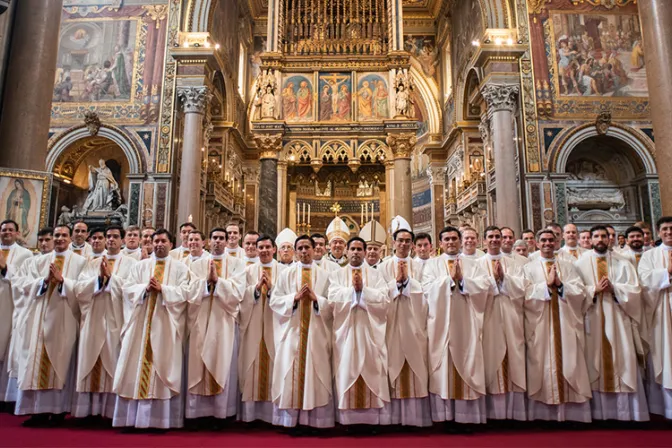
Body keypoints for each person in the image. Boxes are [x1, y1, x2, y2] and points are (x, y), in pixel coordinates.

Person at [112, 229, 189, 429]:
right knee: (134, 367)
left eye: (163, 241)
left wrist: (163, 289)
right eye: (156, 241)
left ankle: (159, 420)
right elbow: (127, 289)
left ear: (171, 244)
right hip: (140, 324)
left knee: (162, 367)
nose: (159, 244)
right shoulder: (140, 267)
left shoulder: (180, 269)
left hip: (166, 326)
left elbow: (185, 293)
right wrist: (144, 289)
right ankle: (131, 419)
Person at [574, 225, 649, 422]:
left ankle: (627, 414)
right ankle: (599, 413)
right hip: (593, 317)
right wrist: (594, 290)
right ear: (590, 240)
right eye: (596, 236)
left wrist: (615, 289)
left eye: (603, 236)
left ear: (610, 239)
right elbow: (575, 292)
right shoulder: (580, 264)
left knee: (622, 359)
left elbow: (634, 291)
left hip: (618, 318)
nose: (600, 239)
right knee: (594, 360)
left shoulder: (623, 263)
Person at [14, 225, 86, 426]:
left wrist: (64, 282)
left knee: (62, 362)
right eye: (56, 235)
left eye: (64, 235)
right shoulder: (38, 261)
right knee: (35, 361)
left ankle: (58, 410)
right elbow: (21, 284)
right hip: (40, 317)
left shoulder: (80, 262)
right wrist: (43, 281)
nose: (60, 238)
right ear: (51, 238)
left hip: (65, 317)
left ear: (71, 238)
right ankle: (36, 411)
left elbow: (83, 289)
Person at [422, 226, 490, 427]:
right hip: (441, 325)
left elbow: (483, 286)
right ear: (440, 243)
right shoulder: (432, 265)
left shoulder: (474, 265)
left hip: (466, 324)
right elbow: (426, 289)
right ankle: (445, 417)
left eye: (454, 238)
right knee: (443, 367)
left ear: (460, 241)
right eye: (446, 239)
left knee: (468, 362)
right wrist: (449, 280)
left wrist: (463, 281)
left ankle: (466, 417)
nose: (451, 242)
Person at [523, 229, 592, 422]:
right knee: (541, 365)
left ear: (557, 243)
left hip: (566, 323)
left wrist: (561, 285)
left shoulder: (568, 266)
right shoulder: (529, 268)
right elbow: (525, 295)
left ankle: (574, 415)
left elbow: (580, 292)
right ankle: (544, 416)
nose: (547, 243)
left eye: (551, 240)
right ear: (536, 244)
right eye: (543, 240)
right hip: (541, 324)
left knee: (571, 363)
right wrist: (545, 286)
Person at [270, 235, 334, 429]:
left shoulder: (324, 276)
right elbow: (274, 301)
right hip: (291, 332)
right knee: (290, 371)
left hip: (316, 333)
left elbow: (332, 304)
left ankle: (315, 421)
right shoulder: (286, 274)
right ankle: (291, 421)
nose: (304, 251)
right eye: (300, 248)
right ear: (296, 252)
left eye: (307, 247)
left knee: (316, 371)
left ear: (315, 250)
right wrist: (294, 298)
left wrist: (317, 300)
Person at [73, 225, 136, 420]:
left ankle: (109, 412)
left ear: (123, 240)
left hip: (116, 318)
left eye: (115, 236)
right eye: (107, 236)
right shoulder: (92, 263)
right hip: (94, 318)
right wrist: (98, 281)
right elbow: (80, 288)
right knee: (90, 359)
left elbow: (131, 290)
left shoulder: (131, 264)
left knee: (113, 360)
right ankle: (88, 411)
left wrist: (111, 279)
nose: (110, 240)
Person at [328, 236, 392, 425]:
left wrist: (363, 291)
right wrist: (353, 292)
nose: (355, 252)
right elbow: (332, 297)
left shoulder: (375, 275)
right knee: (347, 370)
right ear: (347, 251)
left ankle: (372, 421)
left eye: (359, 249)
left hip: (370, 332)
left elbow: (384, 299)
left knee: (372, 369)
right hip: (346, 333)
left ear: (364, 252)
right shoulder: (338, 274)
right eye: (352, 249)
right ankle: (348, 421)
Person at [185, 227, 245, 422]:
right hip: (200, 321)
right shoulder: (196, 265)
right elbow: (189, 291)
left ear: (228, 241)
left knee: (223, 363)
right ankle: (196, 414)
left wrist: (218, 282)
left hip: (224, 322)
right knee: (197, 363)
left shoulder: (237, 264)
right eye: (214, 238)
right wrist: (206, 284)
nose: (218, 241)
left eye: (221, 238)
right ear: (208, 241)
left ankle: (221, 414)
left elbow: (238, 293)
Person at [377, 227, 431, 427]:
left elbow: (427, 292)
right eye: (400, 240)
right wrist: (395, 285)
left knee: (416, 364)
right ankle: (393, 418)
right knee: (393, 363)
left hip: (414, 322)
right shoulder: (383, 267)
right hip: (392, 323)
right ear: (393, 242)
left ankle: (415, 418)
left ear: (412, 244)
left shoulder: (421, 267)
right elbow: (379, 294)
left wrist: (407, 283)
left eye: (408, 241)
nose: (404, 244)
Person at [477, 226, 527, 421]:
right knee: (490, 358)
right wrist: (492, 281)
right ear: (484, 240)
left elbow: (524, 287)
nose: (495, 240)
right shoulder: (477, 264)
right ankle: (492, 413)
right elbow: (472, 289)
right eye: (491, 236)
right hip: (488, 317)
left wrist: (505, 279)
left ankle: (514, 413)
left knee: (513, 357)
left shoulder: (514, 264)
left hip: (511, 316)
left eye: (498, 236)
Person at [239, 235, 286, 423]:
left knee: (276, 362)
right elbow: (240, 296)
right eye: (261, 247)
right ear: (255, 250)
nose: (264, 250)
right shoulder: (248, 271)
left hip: (276, 325)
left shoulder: (284, 271)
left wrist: (272, 288)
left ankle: (274, 414)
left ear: (274, 249)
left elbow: (288, 297)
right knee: (251, 362)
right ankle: (251, 415)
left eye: (268, 247)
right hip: (254, 323)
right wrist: (255, 290)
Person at [638, 216, 672, 419]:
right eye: (665, 229)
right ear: (659, 232)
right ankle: (665, 408)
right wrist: (666, 274)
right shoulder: (649, 256)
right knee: (663, 355)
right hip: (660, 313)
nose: (669, 232)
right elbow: (644, 281)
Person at [0, 220, 33, 412]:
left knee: (8, 351)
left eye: (11, 230)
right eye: (4, 230)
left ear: (18, 233)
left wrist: (5, 268)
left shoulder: (25, 255)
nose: (7, 233)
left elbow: (23, 282)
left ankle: (6, 395)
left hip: (12, 306)